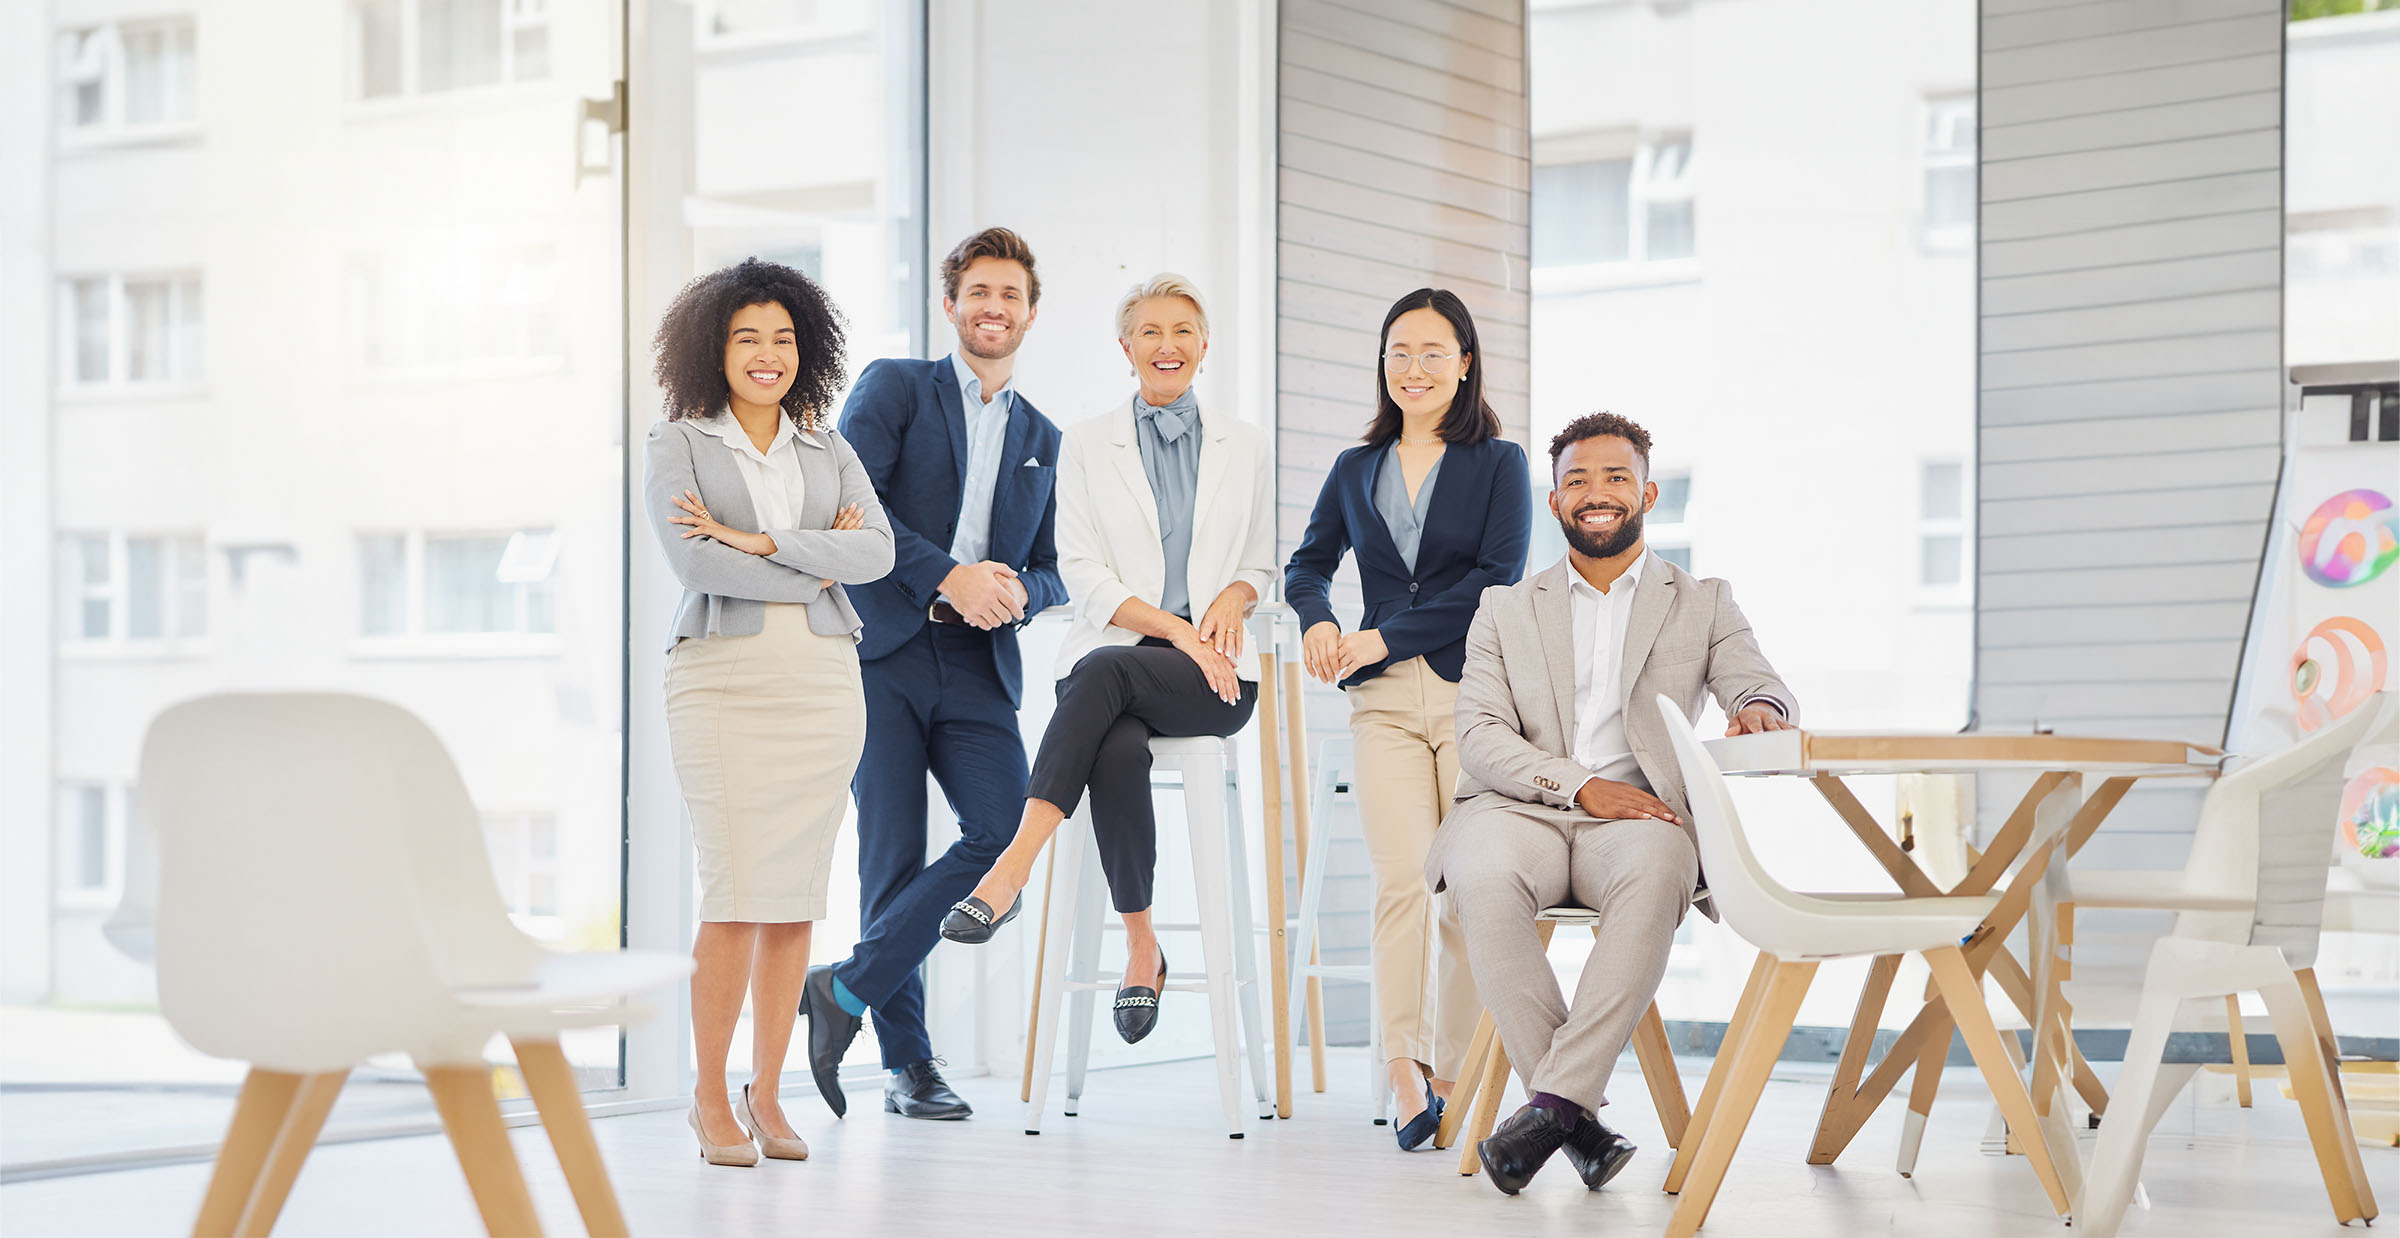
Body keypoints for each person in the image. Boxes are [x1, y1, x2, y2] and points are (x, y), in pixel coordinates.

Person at [1428, 411, 1796, 1195]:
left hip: (1636, 820)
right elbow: (1481, 736)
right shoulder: (1504, 608)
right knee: (1481, 873)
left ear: (1647, 492)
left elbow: (1756, 678)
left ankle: (1549, 1110)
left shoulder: (1702, 601)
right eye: (1577, 481)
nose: (1596, 494)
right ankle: (1577, 1119)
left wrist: (1761, 708)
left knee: (1667, 862)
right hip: (1514, 806)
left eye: (1615, 477)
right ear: (1556, 503)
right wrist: (1579, 785)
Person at [937, 273, 1275, 1049]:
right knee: (1113, 742)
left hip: (1213, 674)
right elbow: (1082, 573)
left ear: (1205, 343)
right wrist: (1174, 629)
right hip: (1118, 650)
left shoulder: (1245, 443)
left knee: (1102, 682)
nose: (1168, 345)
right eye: (1150, 332)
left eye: (1183, 330)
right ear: (1126, 349)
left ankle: (1010, 870)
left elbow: (1260, 561)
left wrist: (1233, 599)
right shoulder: (1086, 442)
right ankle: (1142, 948)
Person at [799, 227, 1067, 1121]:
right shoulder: (896, 387)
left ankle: (845, 988)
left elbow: (1059, 566)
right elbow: (850, 506)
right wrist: (946, 574)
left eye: (1011, 295)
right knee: (892, 854)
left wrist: (1013, 589)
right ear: (950, 305)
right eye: (978, 291)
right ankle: (909, 1066)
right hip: (884, 649)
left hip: (980, 663)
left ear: (1032, 314)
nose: (995, 307)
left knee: (1004, 834)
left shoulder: (1042, 436)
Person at [644, 258, 895, 1166]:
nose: (767, 354)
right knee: (734, 894)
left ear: (807, 351)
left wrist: (755, 538)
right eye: (748, 337)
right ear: (716, 348)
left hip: (824, 682)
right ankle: (709, 1096)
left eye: (783, 338)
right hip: (722, 682)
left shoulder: (829, 450)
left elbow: (876, 553)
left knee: (793, 902)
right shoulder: (678, 443)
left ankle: (768, 1093)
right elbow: (694, 565)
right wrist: (808, 558)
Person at [1284, 288, 1529, 1150]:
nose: (1413, 368)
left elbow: (1494, 582)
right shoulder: (1357, 469)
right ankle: (1402, 1069)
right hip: (1383, 704)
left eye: (1432, 352)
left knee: (1466, 892)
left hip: (1475, 701)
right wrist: (1317, 619)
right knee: (1402, 884)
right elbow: (1306, 564)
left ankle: (1457, 1075)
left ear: (1465, 362)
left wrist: (1378, 634)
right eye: (1399, 351)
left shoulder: (1501, 463)